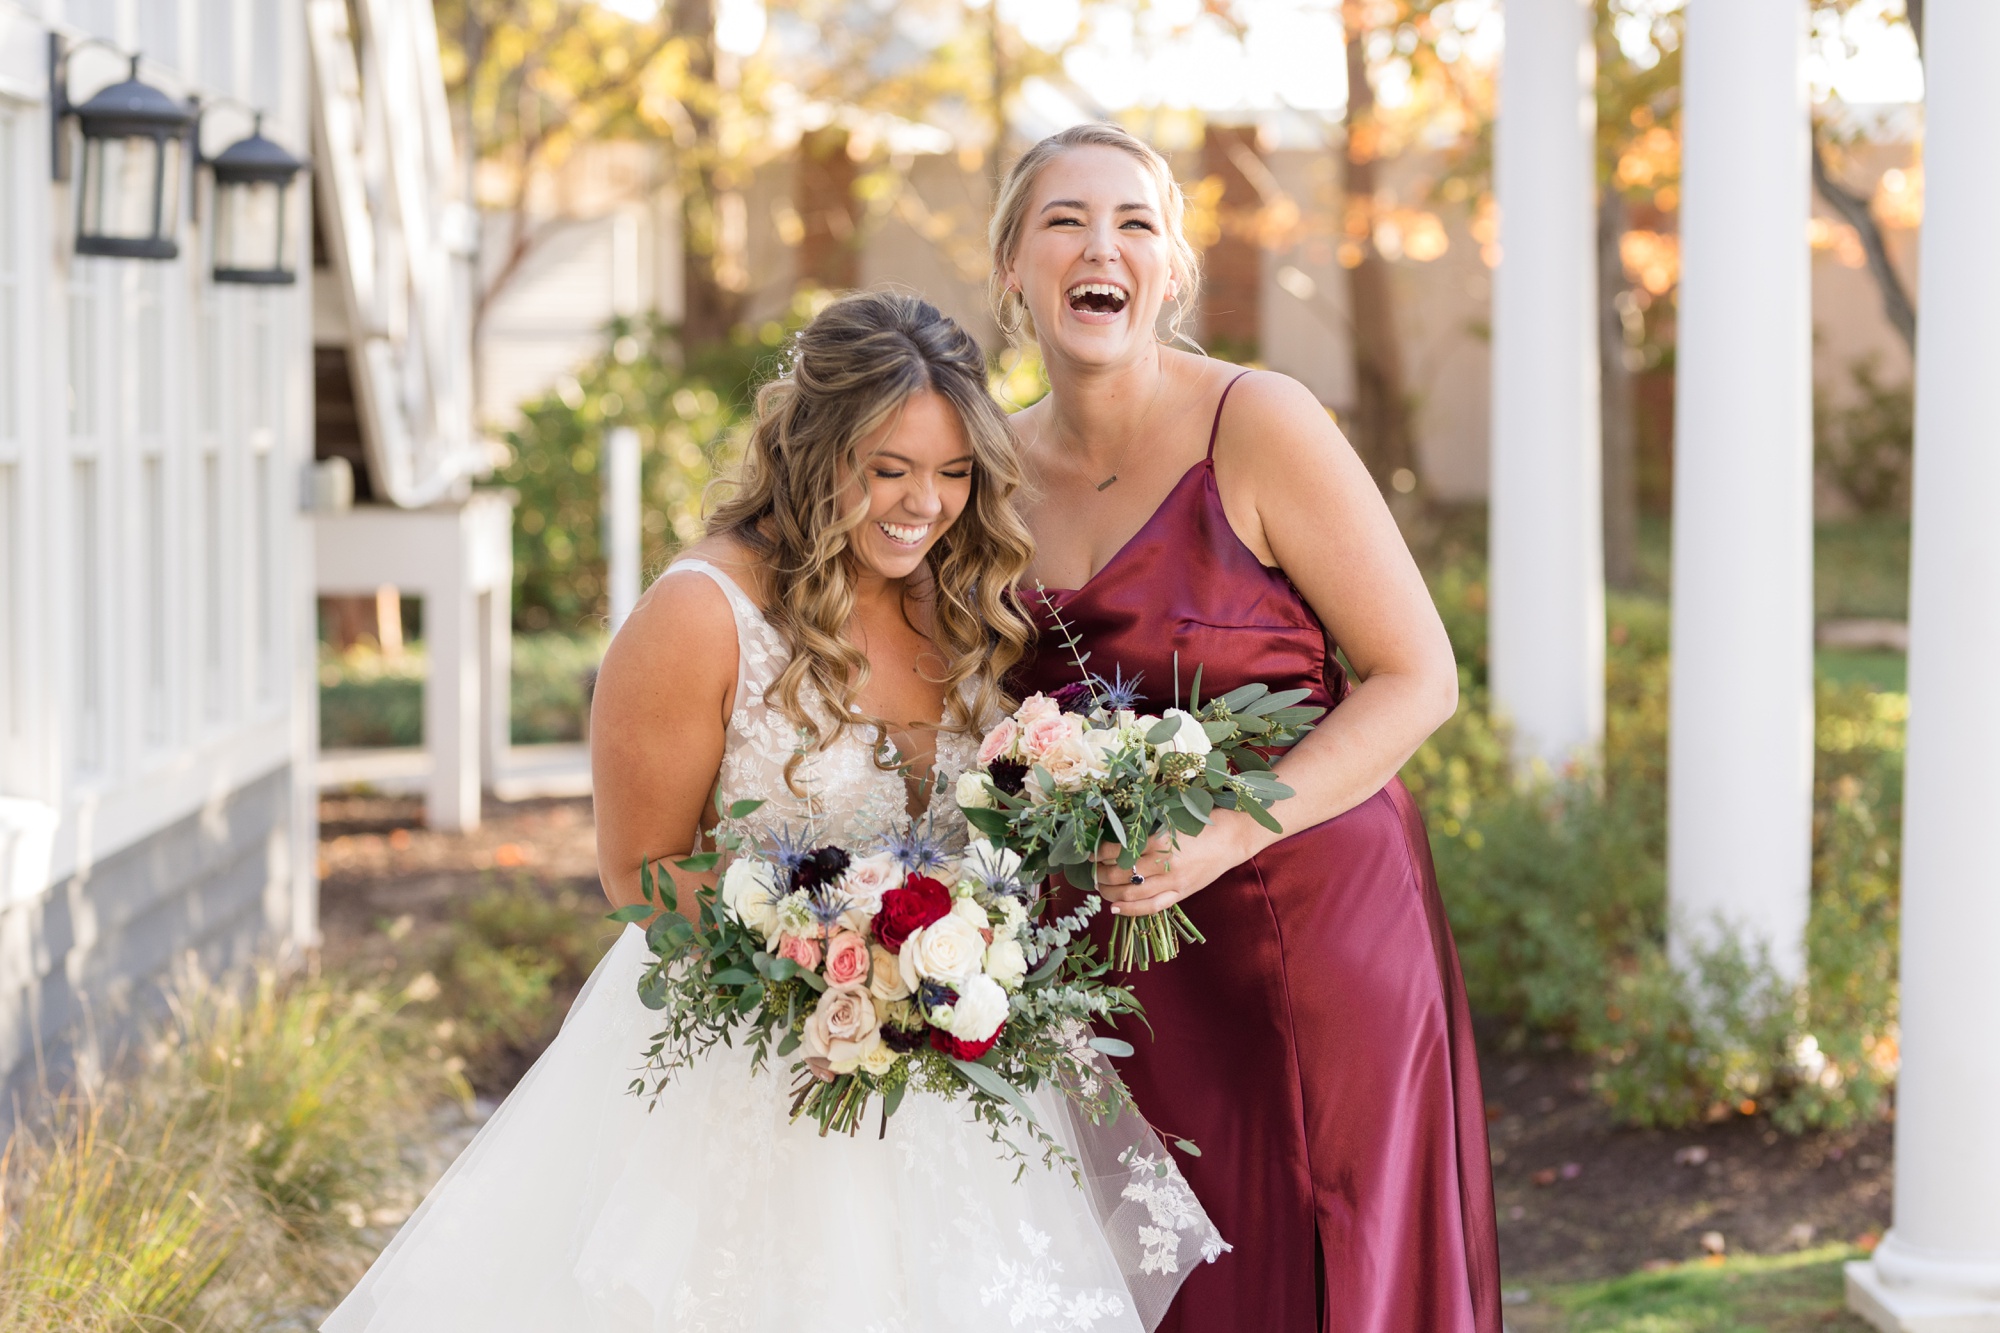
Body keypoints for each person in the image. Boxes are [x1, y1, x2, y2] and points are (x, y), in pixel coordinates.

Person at [322, 291, 1218, 1332]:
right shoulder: (701, 615)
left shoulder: (969, 601)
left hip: (956, 1078)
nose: (921, 504)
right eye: (886, 468)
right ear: (810, 449)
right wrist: (843, 958)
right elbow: (641, 871)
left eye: (951, 472)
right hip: (755, 1079)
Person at [997, 124, 1503, 1333]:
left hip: (1311, 926)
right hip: (1116, 967)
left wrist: (1225, 829)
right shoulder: (986, 471)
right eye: (1062, 222)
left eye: (1132, 223)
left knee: (1325, 1252)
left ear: (1170, 271)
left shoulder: (1260, 423)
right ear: (1012, 267)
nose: (1098, 246)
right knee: (1159, 1282)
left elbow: (1415, 675)